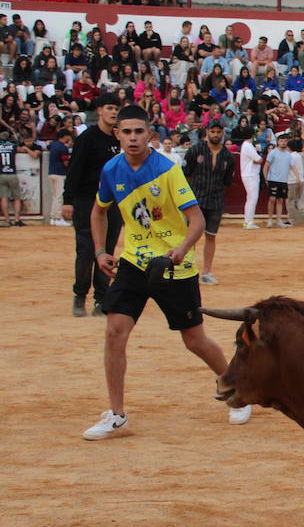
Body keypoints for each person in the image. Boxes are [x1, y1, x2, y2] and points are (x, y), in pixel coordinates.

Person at [80, 106, 252, 440]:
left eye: (138, 132)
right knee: (115, 331)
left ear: (150, 135)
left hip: (175, 267)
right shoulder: (110, 170)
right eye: (126, 132)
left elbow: (197, 220)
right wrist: (101, 252)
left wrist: (182, 250)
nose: (132, 138)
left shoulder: (168, 170)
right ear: (117, 134)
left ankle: (236, 390)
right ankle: (117, 416)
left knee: (194, 339)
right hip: (133, 261)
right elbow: (98, 212)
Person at [62, 99, 122, 316]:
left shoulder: (120, 139)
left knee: (107, 250)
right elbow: (74, 170)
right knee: (87, 250)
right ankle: (80, 296)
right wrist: (68, 200)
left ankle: (101, 299)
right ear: (99, 111)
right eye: (110, 108)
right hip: (87, 200)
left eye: (116, 109)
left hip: (113, 203)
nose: (113, 112)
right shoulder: (87, 138)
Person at [182, 121, 235, 285]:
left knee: (211, 236)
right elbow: (185, 175)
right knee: (190, 237)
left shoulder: (228, 156)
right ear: (207, 132)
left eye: (219, 132)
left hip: (215, 200)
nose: (216, 135)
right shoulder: (195, 150)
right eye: (213, 131)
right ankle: (188, 269)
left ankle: (206, 271)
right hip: (195, 200)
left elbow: (227, 181)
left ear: (222, 133)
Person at [264, 135, 293, 228]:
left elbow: (291, 167)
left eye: (284, 141)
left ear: (287, 142)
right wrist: (265, 178)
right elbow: (266, 165)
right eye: (281, 141)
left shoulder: (289, 155)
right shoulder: (273, 153)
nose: (283, 142)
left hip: (283, 180)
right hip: (273, 179)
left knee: (280, 200)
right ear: (278, 142)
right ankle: (270, 219)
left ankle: (278, 220)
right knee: (272, 199)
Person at [46, 129, 73, 225]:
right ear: (65, 136)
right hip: (59, 174)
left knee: (55, 196)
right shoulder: (63, 148)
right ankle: (57, 218)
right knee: (59, 196)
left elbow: (48, 146)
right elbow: (66, 163)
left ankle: (53, 218)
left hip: (51, 173)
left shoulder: (53, 144)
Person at [238, 135, 262, 229]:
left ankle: (247, 222)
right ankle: (248, 222)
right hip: (251, 174)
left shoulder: (246, 145)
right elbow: (259, 159)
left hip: (249, 174)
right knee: (252, 198)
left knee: (251, 198)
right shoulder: (248, 145)